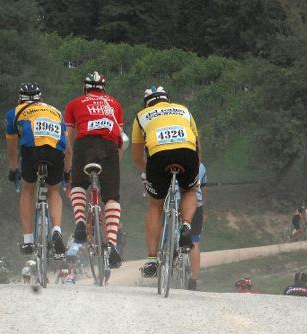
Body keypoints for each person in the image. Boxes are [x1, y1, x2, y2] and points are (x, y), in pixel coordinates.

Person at [131, 86, 202, 280]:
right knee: (189, 190)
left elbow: (137, 156)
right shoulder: (184, 110)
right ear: (167, 100)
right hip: (187, 154)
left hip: (158, 157)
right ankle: (186, 226)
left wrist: (150, 174)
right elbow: (197, 145)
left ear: (147, 103)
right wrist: (194, 171)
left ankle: (152, 259)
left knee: (155, 205)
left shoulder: (142, 115)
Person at [64, 72, 125, 268]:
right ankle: (112, 245)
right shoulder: (114, 104)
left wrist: (72, 162)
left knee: (79, 184)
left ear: (85, 88)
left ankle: (80, 221)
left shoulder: (74, 104)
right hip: (109, 147)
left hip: (84, 145)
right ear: (103, 88)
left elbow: (67, 136)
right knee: (112, 197)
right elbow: (121, 139)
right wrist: (116, 163)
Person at [5, 83, 68, 256]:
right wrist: (67, 171)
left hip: (31, 150)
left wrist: (13, 170)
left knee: (27, 189)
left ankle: (28, 241)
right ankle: (56, 230)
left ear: (20, 99)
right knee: (54, 191)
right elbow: (67, 146)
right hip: (56, 151)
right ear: (41, 99)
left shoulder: (14, 112)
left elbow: (12, 150)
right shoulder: (56, 111)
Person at [187, 161, 207, 290]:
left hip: (174, 200)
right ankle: (193, 279)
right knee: (194, 241)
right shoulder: (200, 166)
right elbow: (203, 189)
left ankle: (167, 249)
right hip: (195, 203)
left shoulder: (169, 157)